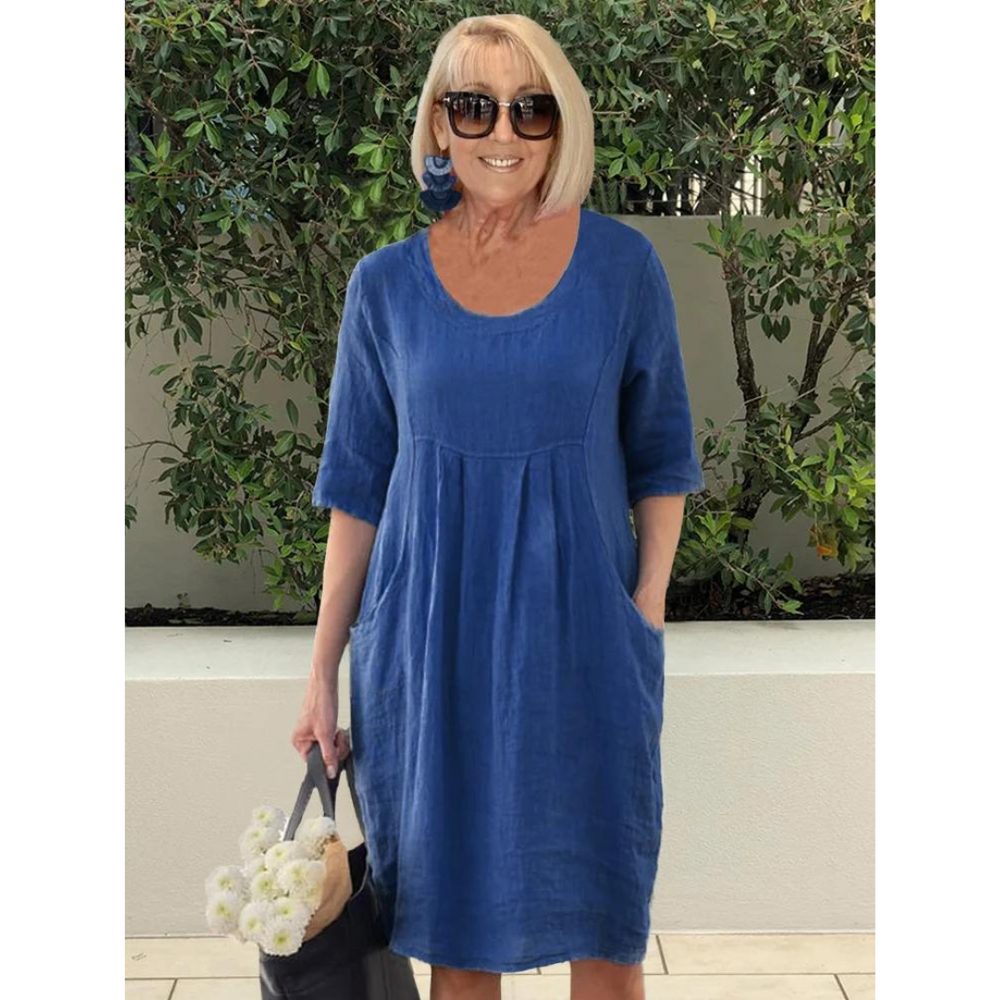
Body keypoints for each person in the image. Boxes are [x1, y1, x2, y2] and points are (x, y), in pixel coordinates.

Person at [291, 12, 704, 1000]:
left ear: (562, 125)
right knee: (455, 942)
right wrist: (320, 670)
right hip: (428, 647)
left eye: (531, 108)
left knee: (607, 929)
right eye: (474, 106)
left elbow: (662, 457)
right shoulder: (384, 288)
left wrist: (643, 609)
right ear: (439, 125)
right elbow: (356, 490)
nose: (504, 132)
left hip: (584, 644)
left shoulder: (623, 270)